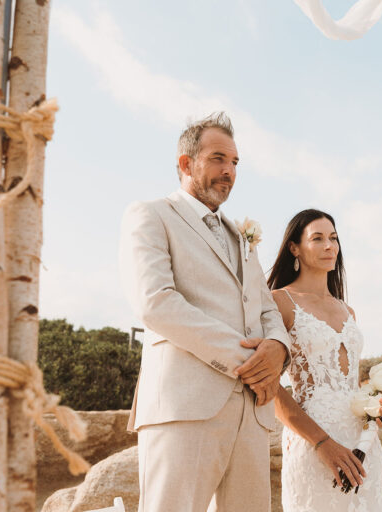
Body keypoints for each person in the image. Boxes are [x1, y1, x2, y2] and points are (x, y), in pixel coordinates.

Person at [119, 112, 291, 512]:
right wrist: (249, 359)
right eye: (218, 159)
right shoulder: (151, 215)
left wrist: (278, 351)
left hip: (251, 413)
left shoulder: (243, 237)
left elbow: (267, 310)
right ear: (185, 163)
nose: (229, 171)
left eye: (234, 163)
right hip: (184, 406)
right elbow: (155, 302)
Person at [268, 209, 382, 512]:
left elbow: (351, 385)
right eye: (317, 239)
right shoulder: (280, 302)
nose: (329, 246)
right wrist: (322, 444)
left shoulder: (347, 311)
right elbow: (270, 387)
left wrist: (379, 410)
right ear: (294, 248)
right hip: (314, 443)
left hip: (363, 446)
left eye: (333, 238)